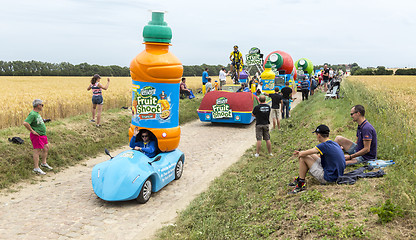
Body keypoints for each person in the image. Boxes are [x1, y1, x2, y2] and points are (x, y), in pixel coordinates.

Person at [289, 125, 346, 194]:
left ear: (319, 135)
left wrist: (300, 153)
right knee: (309, 154)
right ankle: (300, 178)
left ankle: (301, 184)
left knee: (303, 157)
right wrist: (304, 152)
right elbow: (313, 153)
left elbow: (303, 154)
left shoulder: (323, 145)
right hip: (337, 175)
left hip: (329, 178)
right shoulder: (334, 143)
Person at [23, 99, 53, 175]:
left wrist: (44, 120)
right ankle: (36, 168)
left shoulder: (37, 113)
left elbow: (36, 121)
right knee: (37, 151)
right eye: (42, 105)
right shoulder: (32, 114)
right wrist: (32, 131)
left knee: (46, 148)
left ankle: (43, 163)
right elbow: (25, 123)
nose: (43, 106)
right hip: (37, 136)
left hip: (42, 135)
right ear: (38, 105)